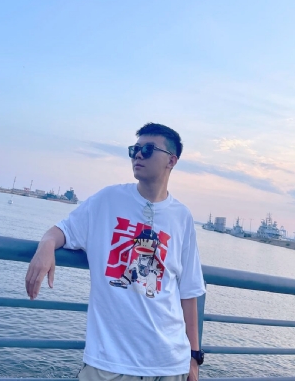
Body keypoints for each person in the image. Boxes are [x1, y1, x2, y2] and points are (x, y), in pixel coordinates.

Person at [25, 123, 206, 381]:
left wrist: (193, 357)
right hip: (108, 362)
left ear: (171, 160)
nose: (138, 155)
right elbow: (61, 231)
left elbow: (188, 292)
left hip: (170, 363)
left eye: (148, 149)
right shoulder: (107, 201)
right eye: (134, 149)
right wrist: (45, 246)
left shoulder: (182, 217)